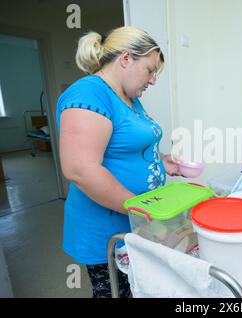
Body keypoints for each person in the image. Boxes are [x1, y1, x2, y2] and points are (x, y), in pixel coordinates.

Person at [56, 26, 182, 298]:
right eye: (150, 70)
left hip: (135, 224)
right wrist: (141, 210)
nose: (153, 80)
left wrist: (161, 161)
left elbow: (123, 146)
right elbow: (80, 169)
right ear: (126, 58)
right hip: (106, 229)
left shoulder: (130, 97)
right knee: (116, 293)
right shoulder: (89, 93)